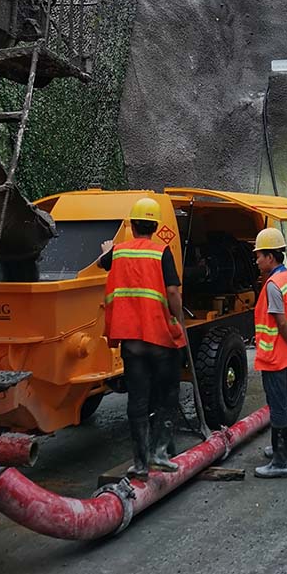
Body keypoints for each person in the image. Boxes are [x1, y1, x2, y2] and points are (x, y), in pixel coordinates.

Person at [99, 197, 186, 480]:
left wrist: (107, 250)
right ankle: (160, 453)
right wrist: (180, 321)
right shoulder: (161, 252)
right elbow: (173, 292)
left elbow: (103, 262)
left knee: (137, 399)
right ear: (155, 226)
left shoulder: (120, 252)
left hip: (131, 340)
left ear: (133, 225)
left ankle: (139, 462)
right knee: (167, 394)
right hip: (159, 337)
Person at [253, 227, 287, 479]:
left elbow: (281, 322)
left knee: (277, 406)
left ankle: (281, 461)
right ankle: (278, 447)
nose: (256, 261)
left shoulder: (273, 285)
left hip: (275, 358)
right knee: (283, 402)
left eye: (259, 255)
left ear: (271, 257)